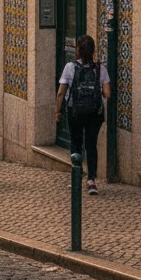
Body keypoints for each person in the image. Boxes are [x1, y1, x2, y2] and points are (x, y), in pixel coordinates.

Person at [55, 34, 111, 195]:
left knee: (76, 143)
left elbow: (61, 93)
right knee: (91, 145)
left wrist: (57, 111)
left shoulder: (70, 67)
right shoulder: (100, 68)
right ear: (93, 50)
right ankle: (91, 181)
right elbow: (107, 93)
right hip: (94, 113)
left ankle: (76, 178)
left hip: (75, 112)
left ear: (78, 50)